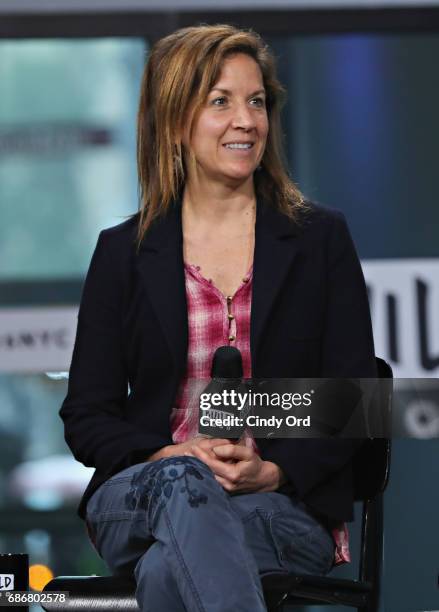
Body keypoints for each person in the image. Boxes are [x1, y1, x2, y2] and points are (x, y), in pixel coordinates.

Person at [60, 24, 377, 612]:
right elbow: (86, 416)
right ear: (177, 123)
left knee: (166, 573)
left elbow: (354, 398)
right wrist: (170, 456)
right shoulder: (123, 252)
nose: (247, 121)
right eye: (221, 102)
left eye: (256, 101)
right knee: (185, 485)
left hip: (278, 504)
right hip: (145, 492)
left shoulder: (319, 239)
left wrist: (273, 469)